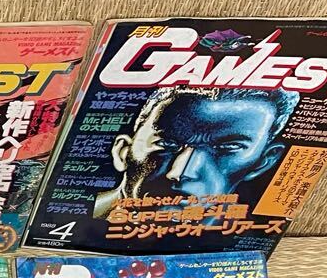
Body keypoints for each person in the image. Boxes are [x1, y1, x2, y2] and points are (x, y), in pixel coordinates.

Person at [94, 86, 299, 219]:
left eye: (227, 148)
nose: (180, 172)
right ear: (122, 151)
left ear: (263, 162)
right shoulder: (81, 217)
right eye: (166, 144)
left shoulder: (253, 235)